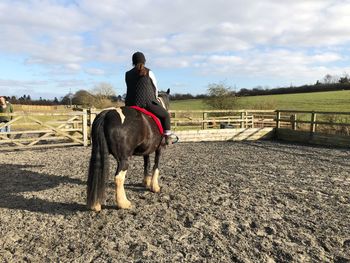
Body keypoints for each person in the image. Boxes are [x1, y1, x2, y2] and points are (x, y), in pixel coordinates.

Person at [125, 52, 176, 144]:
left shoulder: (127, 74)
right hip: (146, 102)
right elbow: (155, 88)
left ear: (133, 61)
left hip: (130, 104)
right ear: (144, 61)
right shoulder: (149, 72)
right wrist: (155, 98)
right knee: (166, 115)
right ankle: (167, 137)